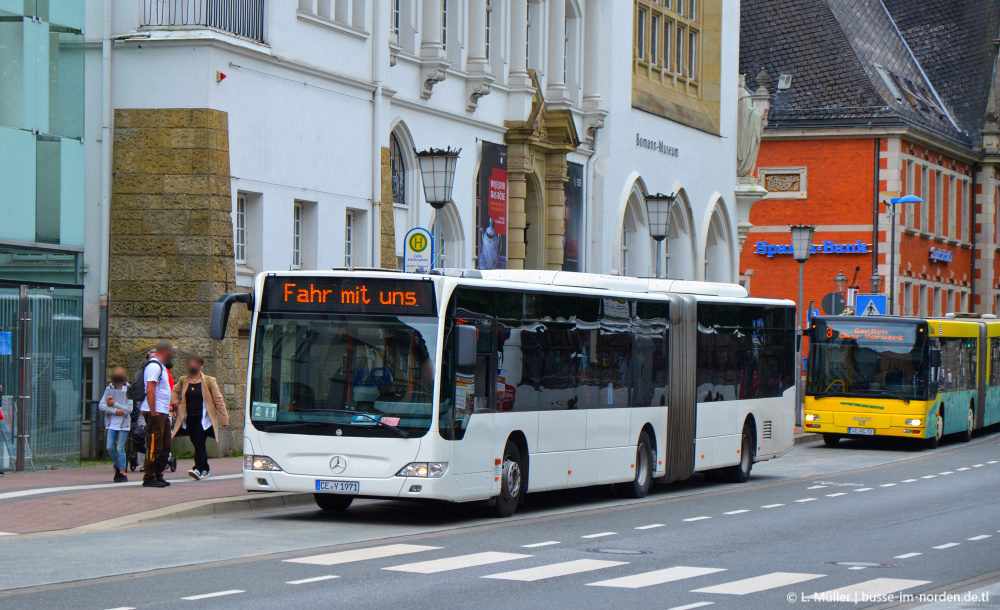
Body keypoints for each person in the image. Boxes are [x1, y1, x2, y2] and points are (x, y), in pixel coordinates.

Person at [170, 354, 228, 480]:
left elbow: (218, 399)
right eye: (190, 363)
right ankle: (205, 468)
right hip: (188, 418)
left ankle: (197, 468)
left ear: (201, 366)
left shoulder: (209, 381)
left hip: (203, 419)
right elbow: (175, 391)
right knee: (196, 443)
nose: (192, 366)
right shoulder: (184, 380)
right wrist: (175, 402)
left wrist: (224, 417)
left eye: (195, 364)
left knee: (199, 442)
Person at [141, 339, 175, 488]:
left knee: (166, 445)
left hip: (162, 411)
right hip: (155, 412)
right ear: (166, 351)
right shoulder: (154, 367)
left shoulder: (161, 366)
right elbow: (150, 389)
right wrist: (153, 411)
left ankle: (158, 474)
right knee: (155, 445)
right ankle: (149, 476)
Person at [99, 367, 131, 482]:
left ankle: (122, 471)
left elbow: (129, 409)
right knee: (109, 446)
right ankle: (118, 465)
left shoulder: (128, 390)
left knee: (120, 447)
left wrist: (116, 404)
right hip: (112, 422)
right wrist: (115, 410)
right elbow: (101, 406)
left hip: (124, 423)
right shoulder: (109, 389)